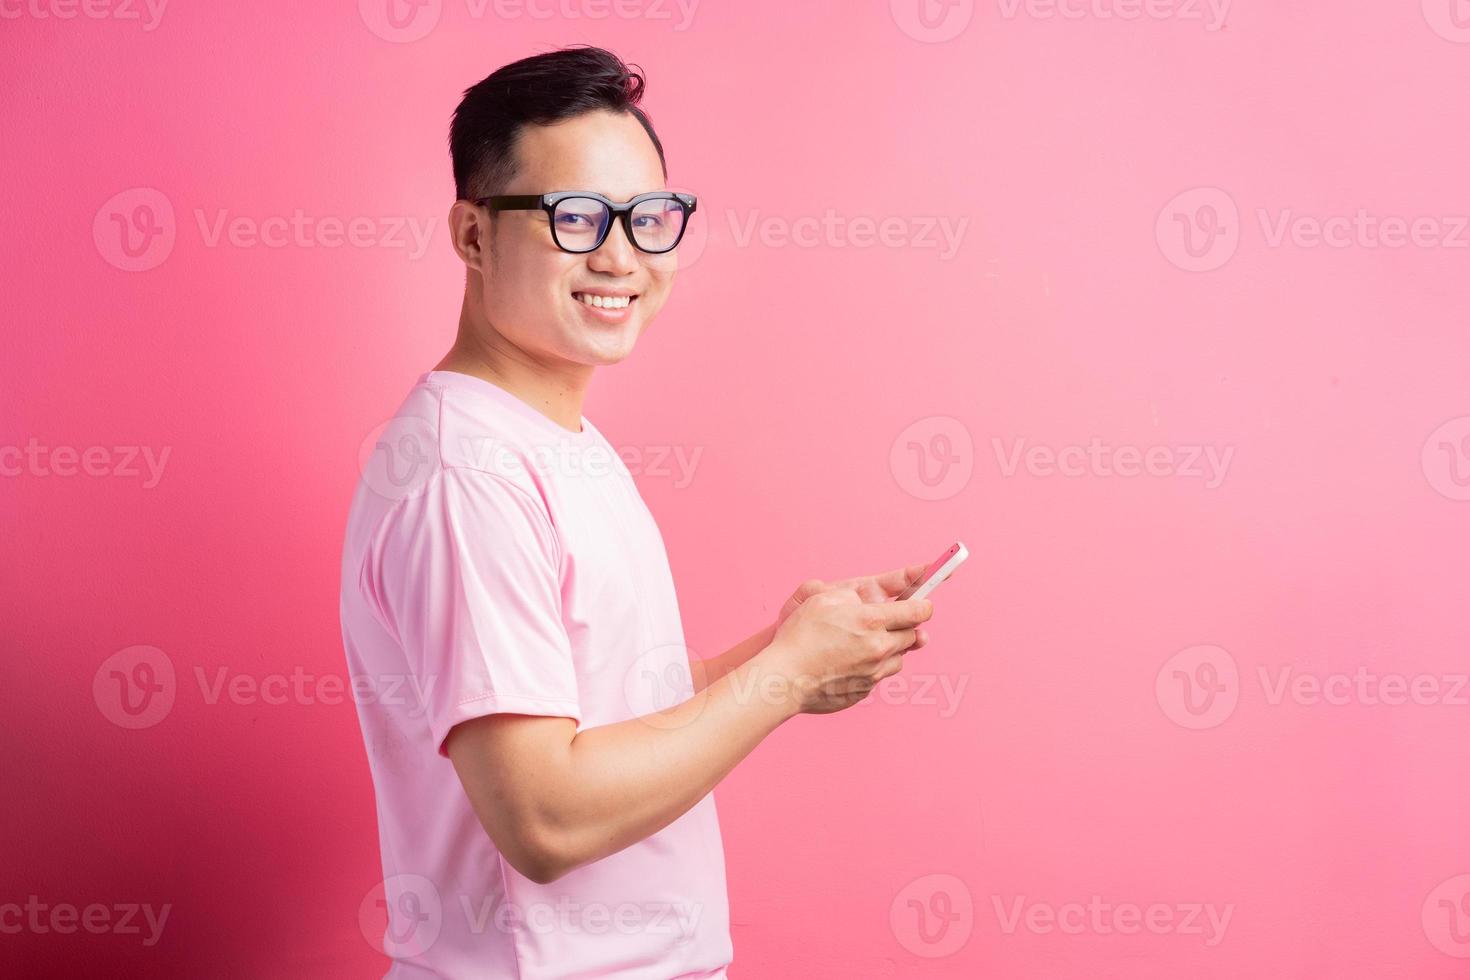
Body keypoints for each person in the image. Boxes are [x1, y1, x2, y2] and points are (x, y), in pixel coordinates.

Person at [338, 44, 936, 979]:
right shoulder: (468, 475)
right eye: (575, 216)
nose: (622, 256)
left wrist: (792, 650)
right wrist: (781, 676)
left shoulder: (558, 438)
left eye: (649, 217)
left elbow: (611, 706)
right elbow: (545, 814)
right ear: (472, 235)